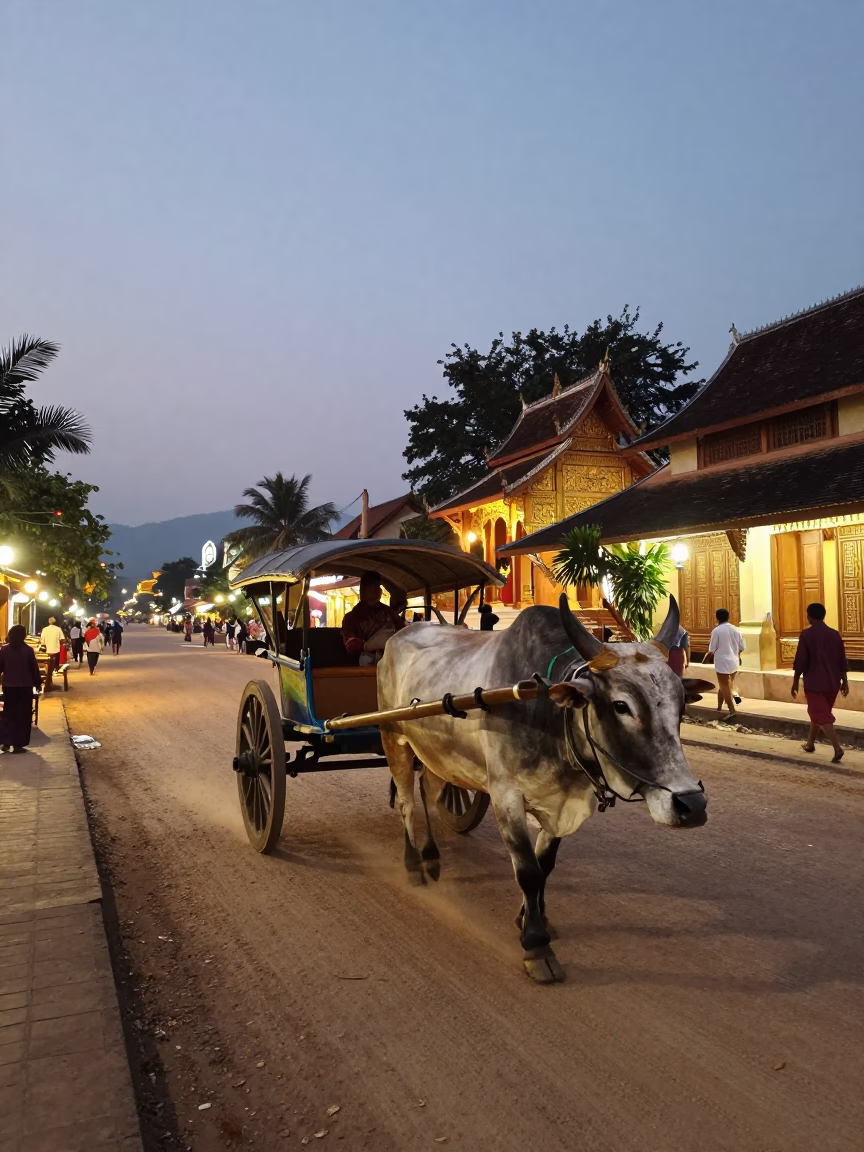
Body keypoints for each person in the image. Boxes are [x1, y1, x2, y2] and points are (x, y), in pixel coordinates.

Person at [792, 602, 849, 764]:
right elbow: (842, 659)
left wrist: (795, 681)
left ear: (809, 616)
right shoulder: (834, 634)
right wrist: (845, 681)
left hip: (815, 682)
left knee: (821, 715)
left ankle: (837, 748)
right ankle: (810, 744)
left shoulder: (807, 635)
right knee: (818, 714)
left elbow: (801, 660)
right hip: (833, 682)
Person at [342, 571, 406, 665]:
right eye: (372, 588)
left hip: (392, 662)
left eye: (378, 587)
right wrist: (366, 646)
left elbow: (403, 632)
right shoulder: (351, 617)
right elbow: (349, 644)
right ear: (362, 590)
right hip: (363, 667)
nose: (378, 591)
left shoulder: (390, 613)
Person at [0, 625, 42, 753]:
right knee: (23, 715)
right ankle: (18, 744)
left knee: (8, 713)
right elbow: (34, 669)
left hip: (8, 686)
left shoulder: (4, 650)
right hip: (25, 686)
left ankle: (6, 742)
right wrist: (38, 683)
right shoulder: (28, 650)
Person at [707, 608, 745, 716]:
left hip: (722, 661)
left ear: (717, 618)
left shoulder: (716, 631)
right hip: (734, 661)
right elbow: (742, 647)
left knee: (725, 686)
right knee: (725, 685)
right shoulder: (736, 630)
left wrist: (706, 658)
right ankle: (719, 707)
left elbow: (712, 649)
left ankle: (731, 710)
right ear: (728, 617)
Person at [40, 615, 65, 689]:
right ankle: (50, 679)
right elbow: (62, 639)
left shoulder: (44, 629)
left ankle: (49, 681)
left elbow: (42, 640)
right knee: (53, 666)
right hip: (55, 651)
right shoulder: (58, 629)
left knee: (47, 666)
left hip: (46, 652)